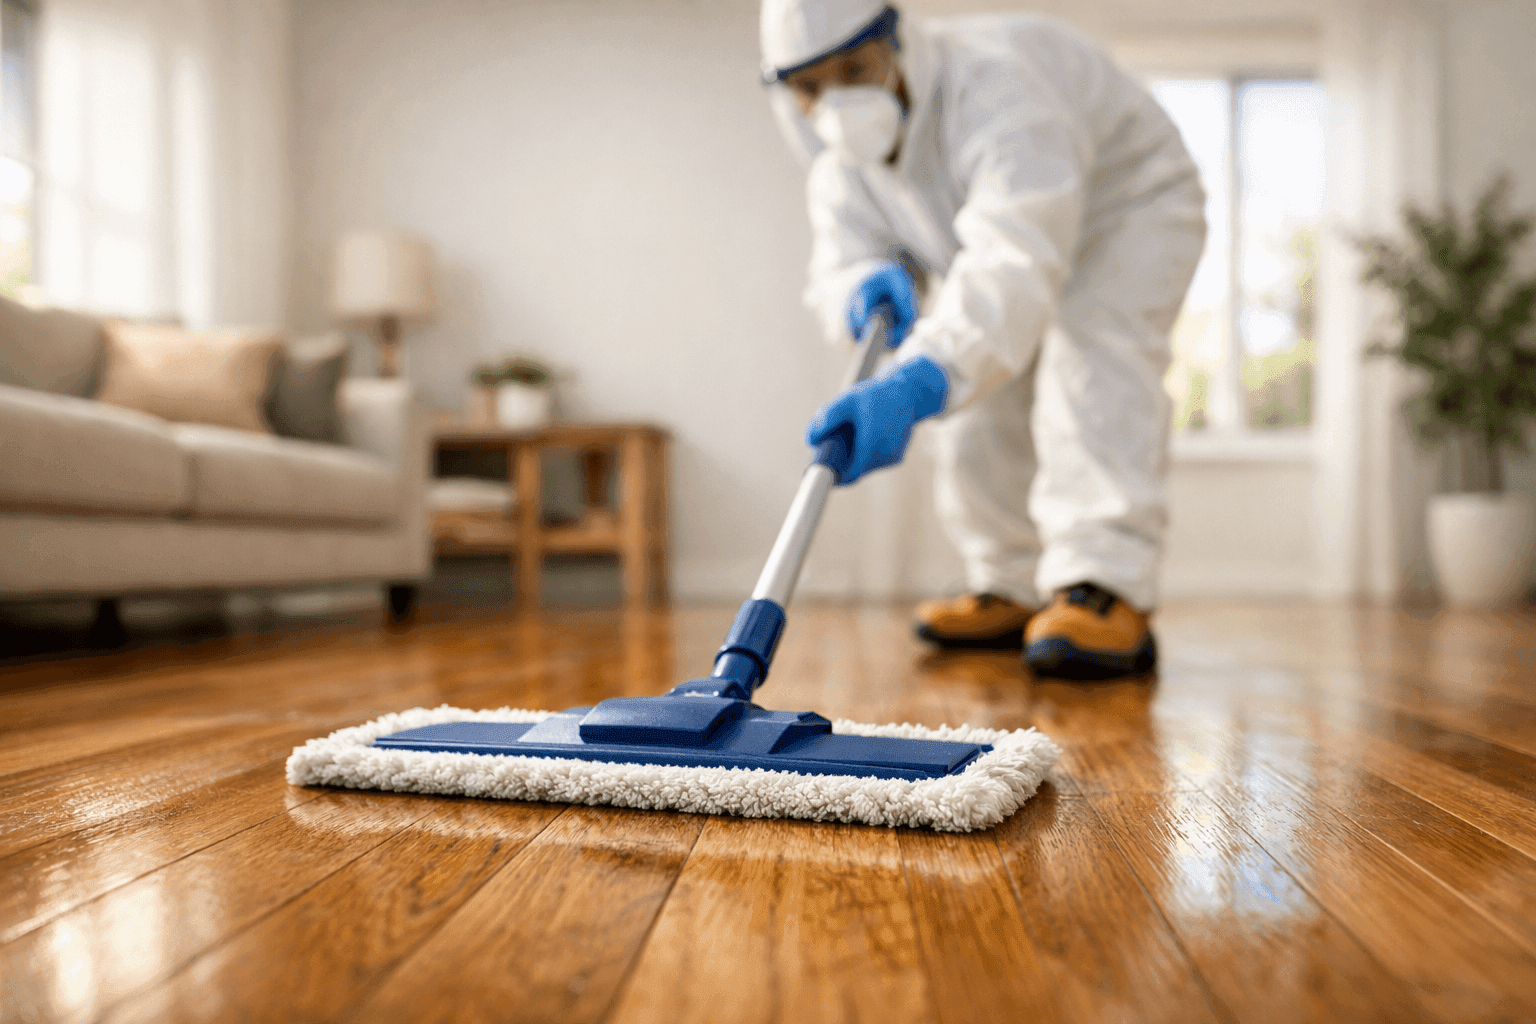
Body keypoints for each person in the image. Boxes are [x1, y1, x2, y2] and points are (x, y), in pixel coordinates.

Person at [761, 0, 1206, 680]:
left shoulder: (998, 89)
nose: (837, 99)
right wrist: (858, 286)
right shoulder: (839, 169)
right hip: (1014, 251)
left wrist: (918, 380)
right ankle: (1009, 581)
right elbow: (841, 261)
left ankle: (1105, 583)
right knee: (980, 395)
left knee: (1091, 361)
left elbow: (1012, 260)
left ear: (895, 41)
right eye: (811, 85)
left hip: (1128, 206)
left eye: (855, 68)